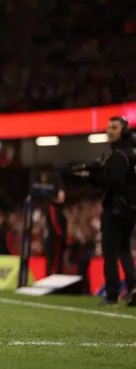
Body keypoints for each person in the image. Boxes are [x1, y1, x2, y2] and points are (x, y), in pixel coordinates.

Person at [76, 116, 136, 306]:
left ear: (123, 131)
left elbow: (114, 182)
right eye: (109, 127)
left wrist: (91, 176)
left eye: (114, 127)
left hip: (117, 208)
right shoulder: (131, 152)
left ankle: (112, 295)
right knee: (124, 250)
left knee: (110, 252)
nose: (109, 130)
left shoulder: (119, 155)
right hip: (130, 208)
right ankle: (134, 289)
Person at [44, 190, 68, 275]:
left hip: (59, 240)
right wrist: (61, 236)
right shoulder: (52, 208)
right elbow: (54, 224)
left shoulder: (60, 209)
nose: (63, 196)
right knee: (54, 264)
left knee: (58, 263)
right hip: (55, 240)